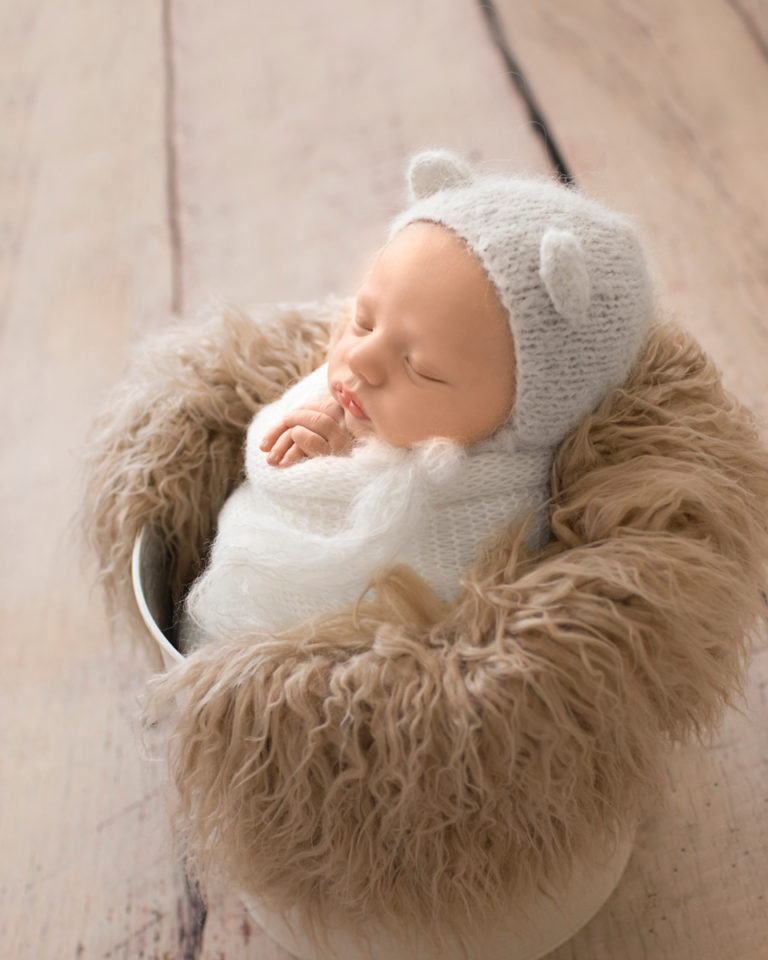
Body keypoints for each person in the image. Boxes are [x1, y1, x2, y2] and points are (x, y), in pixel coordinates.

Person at [181, 150, 653, 649]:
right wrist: (329, 430)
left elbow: (442, 625)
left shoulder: (495, 508)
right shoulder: (350, 385)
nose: (362, 358)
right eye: (364, 319)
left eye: (420, 368)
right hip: (219, 621)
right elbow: (276, 470)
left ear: (518, 416)